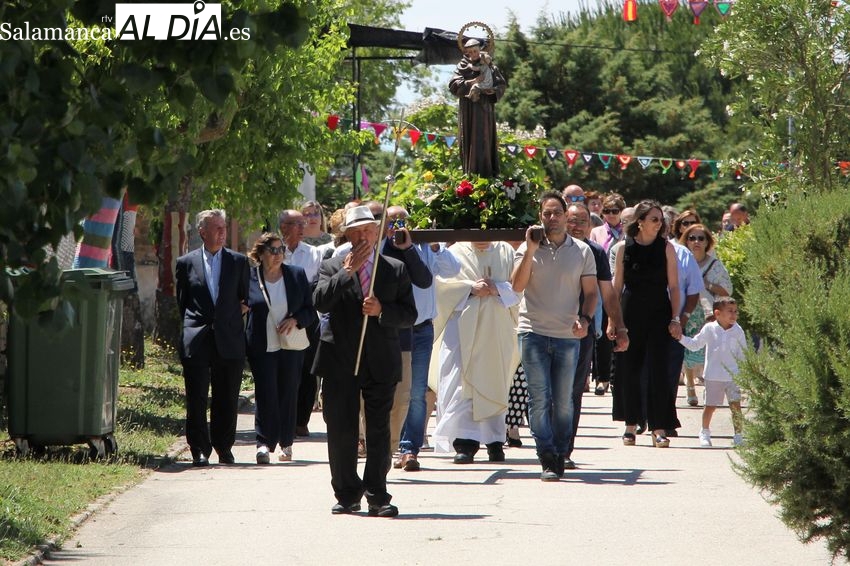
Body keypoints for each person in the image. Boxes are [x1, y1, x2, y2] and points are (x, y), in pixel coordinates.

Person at [312, 205, 417, 518]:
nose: (361, 237)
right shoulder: (331, 266)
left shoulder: (394, 269)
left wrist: (382, 310)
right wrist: (346, 273)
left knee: (378, 430)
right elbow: (319, 300)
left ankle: (377, 494)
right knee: (341, 430)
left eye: (367, 231)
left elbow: (409, 315)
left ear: (376, 233)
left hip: (380, 359)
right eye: (355, 232)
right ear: (347, 234)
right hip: (339, 359)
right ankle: (346, 493)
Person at [512, 191, 598, 480]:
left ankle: (561, 451)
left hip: (567, 335)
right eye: (546, 213)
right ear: (540, 217)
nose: (551, 218)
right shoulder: (528, 248)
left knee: (563, 400)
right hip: (532, 332)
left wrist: (585, 319)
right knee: (539, 398)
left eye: (556, 213)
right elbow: (516, 286)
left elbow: (590, 293)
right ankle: (546, 454)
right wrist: (530, 250)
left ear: (565, 215)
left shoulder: (582, 251)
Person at [385, 206, 461, 472]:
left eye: (403, 221)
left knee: (417, 393)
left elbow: (452, 269)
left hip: (420, 329)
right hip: (391, 329)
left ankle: (408, 448)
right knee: (392, 390)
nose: (399, 226)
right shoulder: (383, 249)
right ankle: (387, 444)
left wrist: (435, 245)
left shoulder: (426, 247)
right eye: (393, 221)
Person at [432, 240, 520, 465]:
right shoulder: (455, 252)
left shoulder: (506, 250)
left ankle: (494, 441)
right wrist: (469, 288)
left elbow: (521, 285)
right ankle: (464, 442)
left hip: (497, 325)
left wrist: (497, 288)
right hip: (461, 326)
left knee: (494, 379)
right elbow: (440, 287)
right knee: (462, 383)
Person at [175, 209, 250, 467]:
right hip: (197, 338)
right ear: (202, 232)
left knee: (227, 396)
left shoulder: (238, 262)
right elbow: (182, 302)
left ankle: (224, 447)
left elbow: (245, 297)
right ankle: (199, 448)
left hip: (229, 338)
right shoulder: (186, 263)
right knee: (196, 397)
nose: (221, 232)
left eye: (223, 228)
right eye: (216, 228)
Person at [563, 203, 629, 465]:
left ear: (590, 227)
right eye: (571, 220)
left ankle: (563, 449)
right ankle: (549, 444)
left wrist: (618, 325)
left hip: (583, 330)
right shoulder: (547, 250)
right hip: (547, 329)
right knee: (547, 393)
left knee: (573, 392)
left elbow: (608, 293)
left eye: (582, 221)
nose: (576, 226)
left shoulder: (596, 253)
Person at [612, 200, 681, 449]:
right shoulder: (623, 248)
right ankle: (631, 424)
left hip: (659, 311)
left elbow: (673, 286)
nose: (658, 223)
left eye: (660, 219)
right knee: (630, 368)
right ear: (639, 222)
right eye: (653, 219)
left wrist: (675, 318)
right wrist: (613, 320)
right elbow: (616, 286)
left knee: (659, 370)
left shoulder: (667, 248)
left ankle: (659, 427)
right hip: (631, 311)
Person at [245, 233, 317, 464]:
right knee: (265, 393)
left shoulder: (295, 275)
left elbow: (310, 310)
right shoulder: (250, 277)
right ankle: (263, 443)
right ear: (261, 253)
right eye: (272, 250)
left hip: (291, 343)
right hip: (261, 343)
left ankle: (286, 443)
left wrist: (295, 319)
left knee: (288, 392)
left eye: (280, 250)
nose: (277, 255)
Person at [277, 210, 324, 439]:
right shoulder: (274, 251)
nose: (302, 228)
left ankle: (300, 421)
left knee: (306, 371)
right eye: (297, 223)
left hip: (306, 319)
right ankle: (280, 418)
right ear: (284, 226)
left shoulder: (314, 254)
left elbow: (316, 285)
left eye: (303, 223)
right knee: (281, 370)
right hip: (276, 319)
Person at [678, 297, 746, 447]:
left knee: (735, 406)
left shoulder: (738, 331)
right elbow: (695, 345)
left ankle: (739, 435)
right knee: (710, 406)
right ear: (718, 313)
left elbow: (743, 353)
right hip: (713, 376)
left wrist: (744, 374)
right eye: (730, 311)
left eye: (735, 311)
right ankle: (705, 431)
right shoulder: (709, 329)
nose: (734, 315)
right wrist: (680, 338)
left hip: (732, 376)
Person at [679, 224, 733, 405]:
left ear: (707, 242)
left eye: (701, 238)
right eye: (692, 238)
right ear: (686, 240)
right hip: (686, 309)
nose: (696, 242)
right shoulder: (681, 261)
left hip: (707, 312)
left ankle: (706, 387)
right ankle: (690, 387)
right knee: (687, 347)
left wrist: (706, 284)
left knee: (708, 351)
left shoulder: (714, 264)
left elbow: (727, 289)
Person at [448, 38, 507, 178]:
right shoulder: (462, 66)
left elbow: (501, 84)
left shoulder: (489, 65)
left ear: (480, 50)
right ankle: (470, 176)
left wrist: (493, 91)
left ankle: (488, 174)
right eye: (470, 52)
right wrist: (473, 82)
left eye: (475, 51)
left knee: (485, 138)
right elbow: (454, 85)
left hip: (485, 109)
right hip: (469, 109)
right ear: (467, 53)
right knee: (470, 139)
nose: (473, 54)